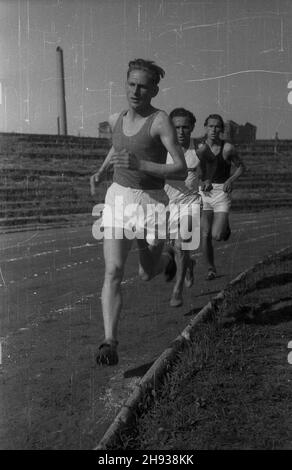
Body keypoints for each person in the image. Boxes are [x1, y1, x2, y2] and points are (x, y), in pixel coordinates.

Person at [90, 59, 188, 366]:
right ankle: (109, 341)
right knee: (113, 270)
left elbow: (181, 168)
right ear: (125, 84)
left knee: (147, 272)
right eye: (131, 84)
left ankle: (168, 257)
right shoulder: (115, 117)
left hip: (151, 202)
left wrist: (142, 165)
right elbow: (117, 147)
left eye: (143, 85)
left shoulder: (160, 121)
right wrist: (102, 170)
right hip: (118, 198)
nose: (136, 90)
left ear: (154, 89)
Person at [198, 114, 245, 280]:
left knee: (217, 235)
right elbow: (197, 169)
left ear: (221, 130)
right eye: (210, 126)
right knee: (204, 234)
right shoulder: (200, 147)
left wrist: (230, 180)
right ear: (205, 127)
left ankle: (225, 227)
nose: (213, 130)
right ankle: (211, 269)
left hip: (221, 193)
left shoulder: (227, 148)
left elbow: (241, 167)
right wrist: (203, 180)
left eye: (217, 126)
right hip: (204, 193)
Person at [164, 108, 201, 307]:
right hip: (169, 205)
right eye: (176, 127)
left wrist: (209, 180)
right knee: (176, 249)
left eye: (185, 127)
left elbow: (213, 167)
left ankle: (177, 289)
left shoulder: (199, 149)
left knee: (181, 245)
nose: (181, 131)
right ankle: (190, 265)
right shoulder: (164, 149)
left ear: (192, 127)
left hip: (191, 203)